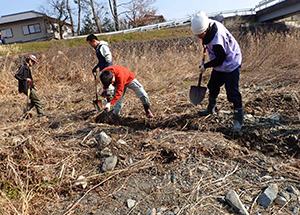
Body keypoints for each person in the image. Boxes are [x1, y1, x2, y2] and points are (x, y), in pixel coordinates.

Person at [191, 11, 243, 132]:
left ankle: (238, 119)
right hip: (220, 63)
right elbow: (220, 17)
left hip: (231, 63)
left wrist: (206, 65)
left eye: (200, 34)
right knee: (212, 85)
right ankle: (210, 109)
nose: (199, 37)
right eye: (197, 35)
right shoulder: (211, 23)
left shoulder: (217, 41)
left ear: (206, 29)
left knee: (232, 92)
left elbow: (220, 59)